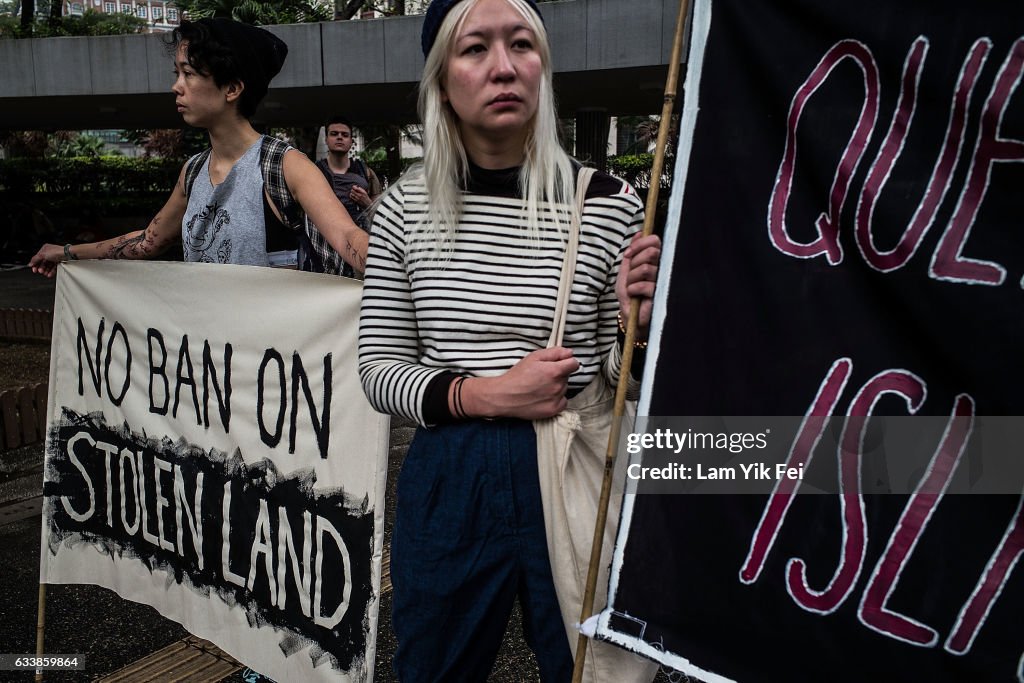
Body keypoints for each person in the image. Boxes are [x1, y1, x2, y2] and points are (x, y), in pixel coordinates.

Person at [357, 0, 661, 680]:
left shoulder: (608, 202)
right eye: (474, 50)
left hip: (575, 458)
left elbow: (619, 380)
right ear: (442, 80)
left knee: (595, 666)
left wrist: (637, 326)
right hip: (452, 471)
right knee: (435, 665)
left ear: (543, 68)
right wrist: (488, 393)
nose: (503, 67)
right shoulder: (403, 209)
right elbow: (378, 369)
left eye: (521, 44)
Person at [28, 18, 367, 275]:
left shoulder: (284, 165)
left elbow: (348, 240)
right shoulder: (192, 172)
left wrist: (410, 264)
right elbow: (147, 242)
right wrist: (67, 252)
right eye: (177, 73)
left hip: (272, 360)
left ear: (232, 88)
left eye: (188, 74)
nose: (176, 87)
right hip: (210, 358)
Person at [308, 115, 383, 276]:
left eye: (345, 134)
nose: (340, 137)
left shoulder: (366, 173)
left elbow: (381, 213)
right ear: (327, 139)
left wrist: (366, 202)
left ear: (351, 141)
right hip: (324, 247)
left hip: (358, 247)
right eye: (334, 134)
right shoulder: (314, 173)